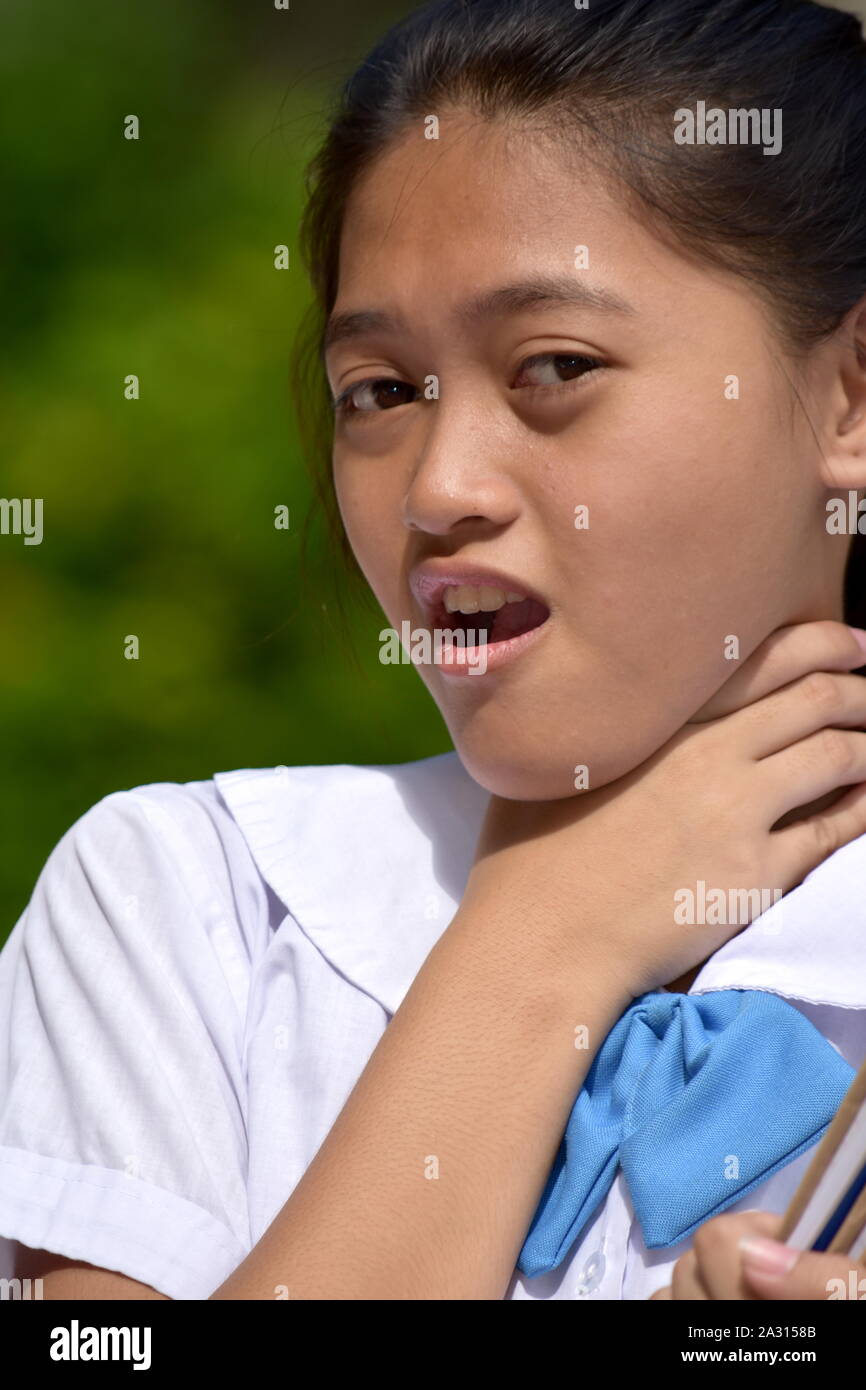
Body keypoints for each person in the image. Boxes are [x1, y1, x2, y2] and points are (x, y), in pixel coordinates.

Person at [3, 0, 866, 1301]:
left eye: (554, 365)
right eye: (381, 391)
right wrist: (538, 943)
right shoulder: (198, 901)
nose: (438, 486)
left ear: (847, 400)